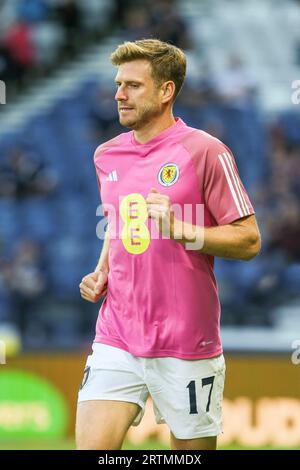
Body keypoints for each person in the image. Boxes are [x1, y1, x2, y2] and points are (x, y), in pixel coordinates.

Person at [76, 39, 261, 450]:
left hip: (186, 343)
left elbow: (249, 239)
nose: (119, 94)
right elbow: (117, 223)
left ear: (165, 91)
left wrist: (184, 230)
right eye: (118, 84)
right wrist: (102, 269)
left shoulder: (206, 152)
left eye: (133, 85)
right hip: (117, 334)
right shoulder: (106, 155)